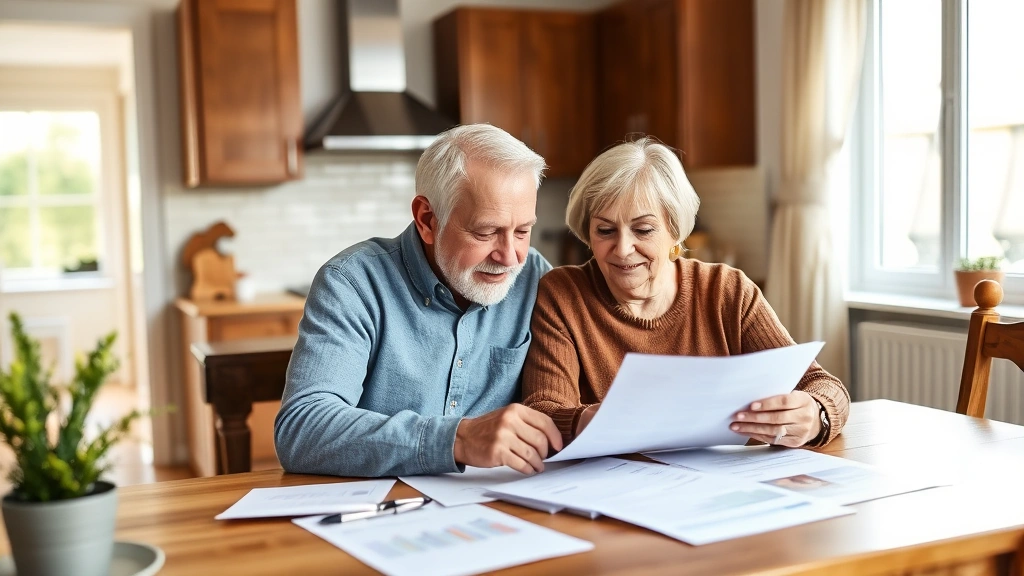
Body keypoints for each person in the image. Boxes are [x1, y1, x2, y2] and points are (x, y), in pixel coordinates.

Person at [522, 138, 849, 449]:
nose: (622, 249)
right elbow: (543, 412)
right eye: (605, 230)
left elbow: (825, 386)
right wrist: (600, 420)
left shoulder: (727, 291)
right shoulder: (564, 294)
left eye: (643, 230)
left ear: (674, 230)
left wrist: (816, 413)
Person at [276, 124, 563, 478]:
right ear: (427, 219)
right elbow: (302, 430)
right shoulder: (352, 283)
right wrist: (456, 440)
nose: (509, 256)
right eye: (486, 232)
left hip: (499, 505)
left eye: (522, 231)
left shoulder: (536, 277)